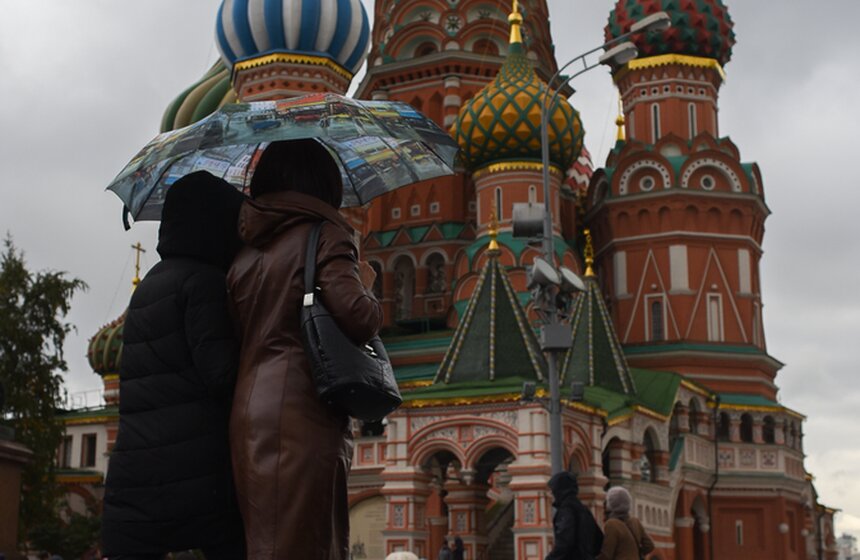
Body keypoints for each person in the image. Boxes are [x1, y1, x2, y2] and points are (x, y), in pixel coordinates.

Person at [228, 139, 382, 559]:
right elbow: (357, 316)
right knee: (308, 542)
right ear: (324, 183)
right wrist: (365, 284)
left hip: (249, 409)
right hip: (302, 407)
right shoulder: (325, 235)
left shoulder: (243, 253)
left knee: (269, 541)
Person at [102, 171, 246, 560]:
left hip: (134, 476)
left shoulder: (151, 283)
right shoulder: (204, 283)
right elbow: (221, 374)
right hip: (194, 476)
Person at [545, 472, 603, 560]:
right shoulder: (583, 509)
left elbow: (564, 542)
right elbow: (599, 540)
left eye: (553, 490)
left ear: (559, 490)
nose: (551, 493)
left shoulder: (566, 510)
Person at [596, 487, 654, 560]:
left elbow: (607, 554)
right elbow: (649, 545)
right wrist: (636, 554)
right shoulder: (635, 521)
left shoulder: (611, 524)